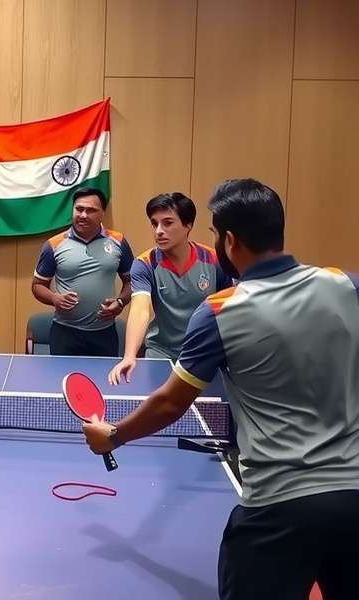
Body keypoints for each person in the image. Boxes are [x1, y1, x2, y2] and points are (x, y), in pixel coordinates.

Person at [83, 178, 359, 600]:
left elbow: (172, 402)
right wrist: (133, 351)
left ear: (228, 241)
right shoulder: (347, 286)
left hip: (278, 507)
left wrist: (114, 436)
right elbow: (140, 304)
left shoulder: (221, 311)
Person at [108, 192, 231, 383]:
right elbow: (140, 309)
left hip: (203, 353)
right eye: (154, 223)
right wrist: (130, 355)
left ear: (188, 225)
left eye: (167, 223)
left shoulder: (215, 260)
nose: (158, 231)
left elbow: (228, 311)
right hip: (161, 352)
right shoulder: (145, 263)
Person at [31, 187, 133, 356]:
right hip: (65, 333)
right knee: (62, 381)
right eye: (79, 209)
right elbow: (37, 286)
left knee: (103, 382)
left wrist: (120, 302)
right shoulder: (53, 245)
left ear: (102, 213)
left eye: (91, 210)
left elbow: (132, 281)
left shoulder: (118, 241)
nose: (83, 215)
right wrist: (54, 298)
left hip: (104, 333)